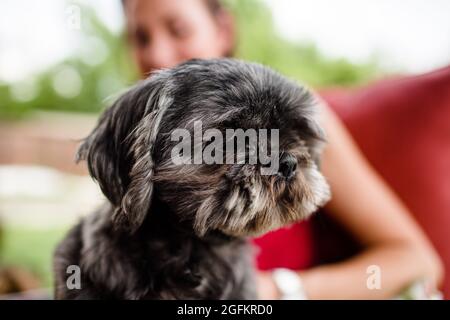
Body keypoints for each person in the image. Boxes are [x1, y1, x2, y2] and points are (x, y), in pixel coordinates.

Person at [121, 0, 443, 299]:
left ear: (223, 31)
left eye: (178, 30)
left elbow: (416, 260)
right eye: (141, 38)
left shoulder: (297, 121)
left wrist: (274, 290)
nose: (158, 55)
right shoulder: (147, 148)